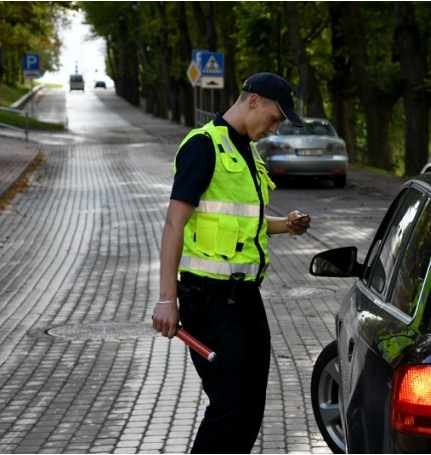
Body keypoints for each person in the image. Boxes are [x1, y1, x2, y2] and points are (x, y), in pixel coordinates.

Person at [151, 72, 311, 453]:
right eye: (274, 118)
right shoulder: (204, 146)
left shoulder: (246, 152)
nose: (274, 128)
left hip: (245, 300)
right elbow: (175, 222)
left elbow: (242, 222)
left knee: (251, 404)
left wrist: (286, 226)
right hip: (209, 302)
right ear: (253, 101)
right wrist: (166, 299)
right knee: (231, 405)